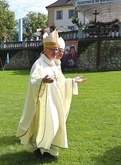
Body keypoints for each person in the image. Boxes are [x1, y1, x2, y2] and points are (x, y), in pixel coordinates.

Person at [16, 30, 86, 159]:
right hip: (44, 103)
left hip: (55, 102)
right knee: (46, 125)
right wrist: (42, 81)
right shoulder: (39, 64)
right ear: (45, 49)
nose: (55, 53)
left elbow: (61, 82)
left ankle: (49, 150)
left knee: (56, 125)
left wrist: (72, 81)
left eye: (56, 49)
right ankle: (41, 149)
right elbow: (33, 81)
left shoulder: (53, 64)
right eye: (52, 50)